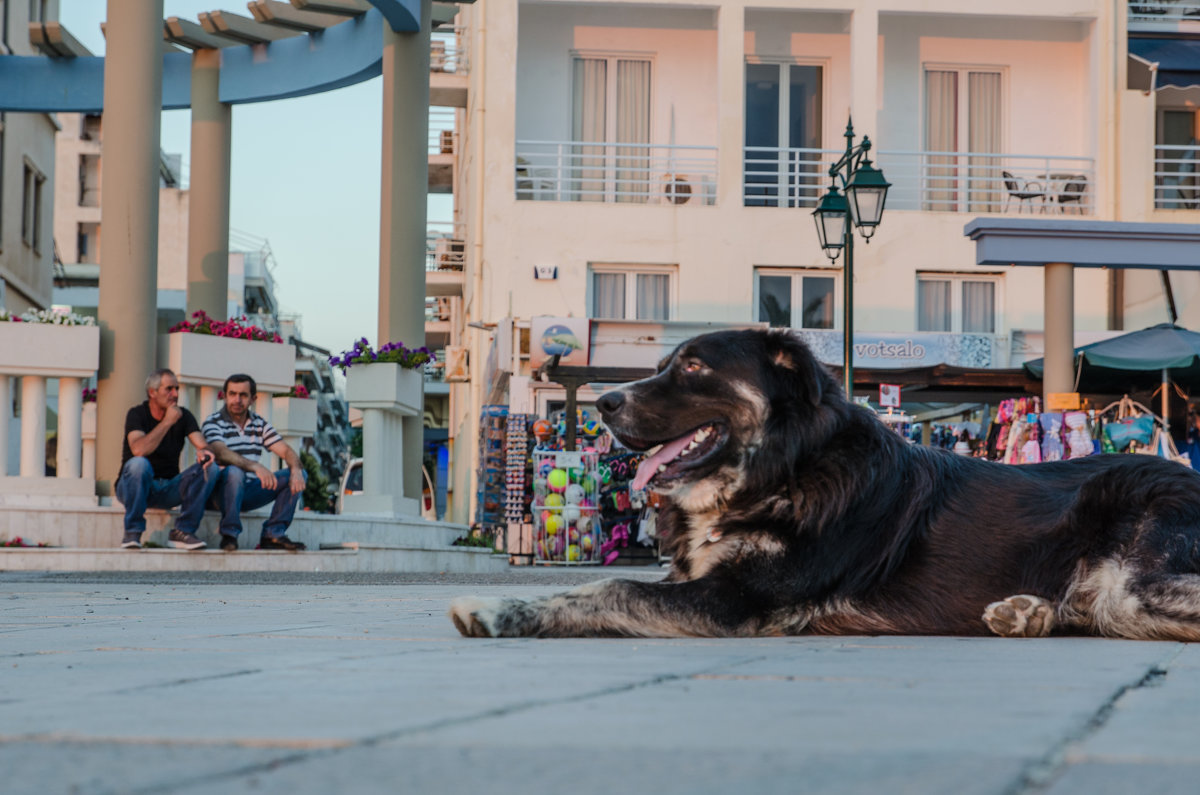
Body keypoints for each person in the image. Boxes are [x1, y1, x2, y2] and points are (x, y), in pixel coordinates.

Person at [115, 368, 221, 550]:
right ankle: (132, 533)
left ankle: (183, 531)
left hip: (168, 488)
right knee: (139, 464)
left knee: (210, 467)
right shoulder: (137, 414)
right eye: (169, 389)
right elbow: (139, 449)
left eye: (177, 389)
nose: (175, 394)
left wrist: (204, 452)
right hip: (134, 486)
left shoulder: (184, 415)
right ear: (152, 393)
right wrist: (167, 422)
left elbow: (202, 444)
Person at [202, 373, 308, 551]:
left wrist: (296, 469)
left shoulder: (258, 423)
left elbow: (286, 450)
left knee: (298, 473)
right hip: (218, 494)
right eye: (232, 394)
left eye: (243, 395)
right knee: (234, 472)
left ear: (253, 398)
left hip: (248, 492)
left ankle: (273, 534)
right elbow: (220, 452)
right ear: (225, 395)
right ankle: (229, 535)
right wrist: (255, 466)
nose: (237, 400)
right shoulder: (213, 422)